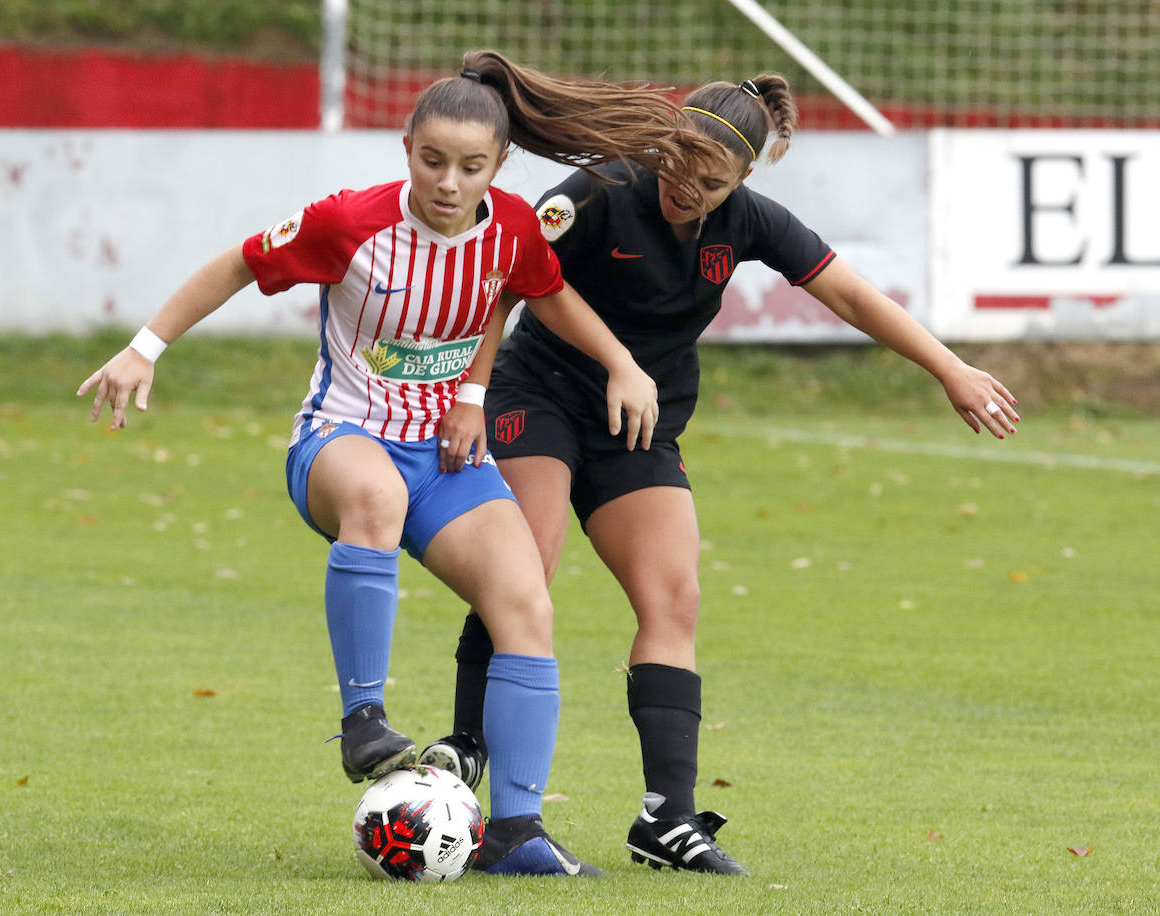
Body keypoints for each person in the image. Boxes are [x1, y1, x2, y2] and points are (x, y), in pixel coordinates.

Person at [76, 49, 729, 877]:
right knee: (376, 498)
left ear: (498, 166)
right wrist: (145, 349)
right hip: (340, 443)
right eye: (432, 161)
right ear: (406, 149)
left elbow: (541, 291)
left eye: (470, 166)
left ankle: (515, 831)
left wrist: (613, 366)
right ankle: (363, 721)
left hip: (442, 458)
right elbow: (239, 264)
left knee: (525, 601)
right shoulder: (348, 222)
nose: (449, 183)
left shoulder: (513, 227)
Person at [419, 73, 1023, 876]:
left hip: (638, 424)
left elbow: (848, 293)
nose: (684, 188)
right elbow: (504, 284)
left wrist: (951, 369)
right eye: (678, 166)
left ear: (743, 179)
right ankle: (468, 747)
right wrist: (470, 391)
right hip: (542, 395)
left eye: (709, 183)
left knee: (675, 598)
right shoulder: (603, 188)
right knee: (526, 570)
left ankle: (665, 819)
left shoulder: (747, 221)